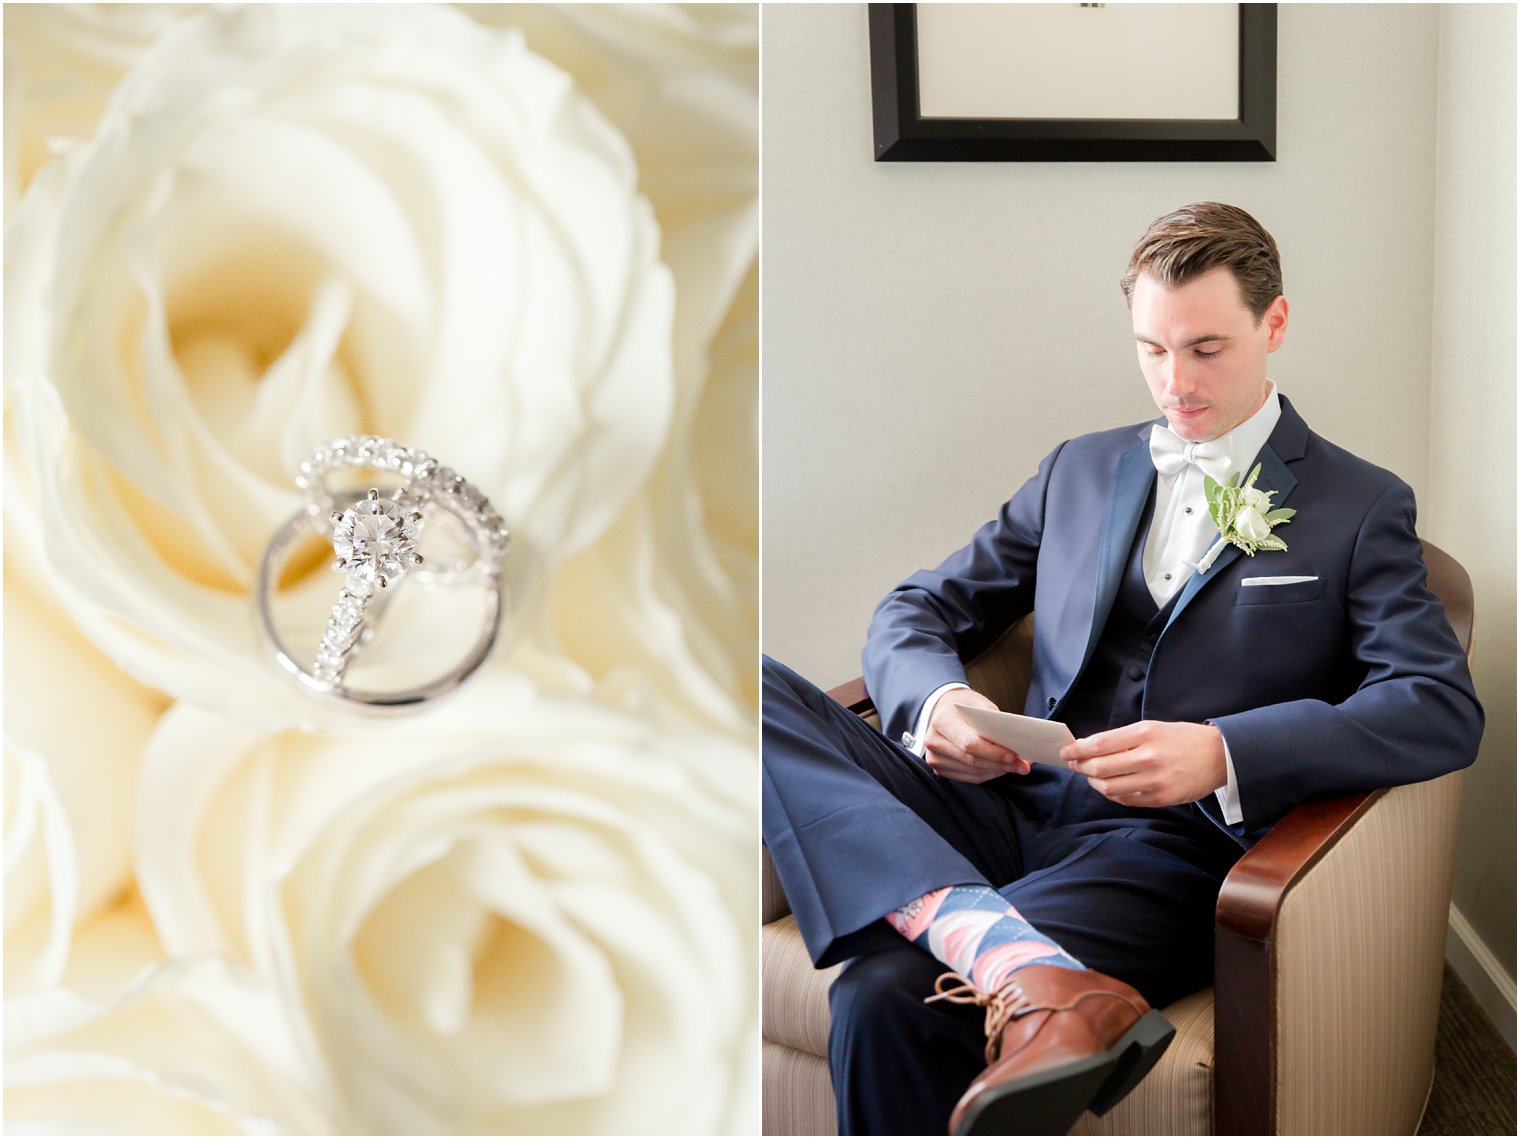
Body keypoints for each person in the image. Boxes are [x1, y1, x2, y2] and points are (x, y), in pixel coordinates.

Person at [761, 202, 1483, 1136]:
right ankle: (1007, 952)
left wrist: (1225, 751)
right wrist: (941, 703)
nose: (1174, 383)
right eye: (1152, 348)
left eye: (1206, 349)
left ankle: (989, 949)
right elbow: (919, 607)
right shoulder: (1080, 469)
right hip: (1007, 802)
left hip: (1168, 854)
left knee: (883, 996)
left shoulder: (1361, 504)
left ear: (1275, 325)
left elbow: (1434, 704)